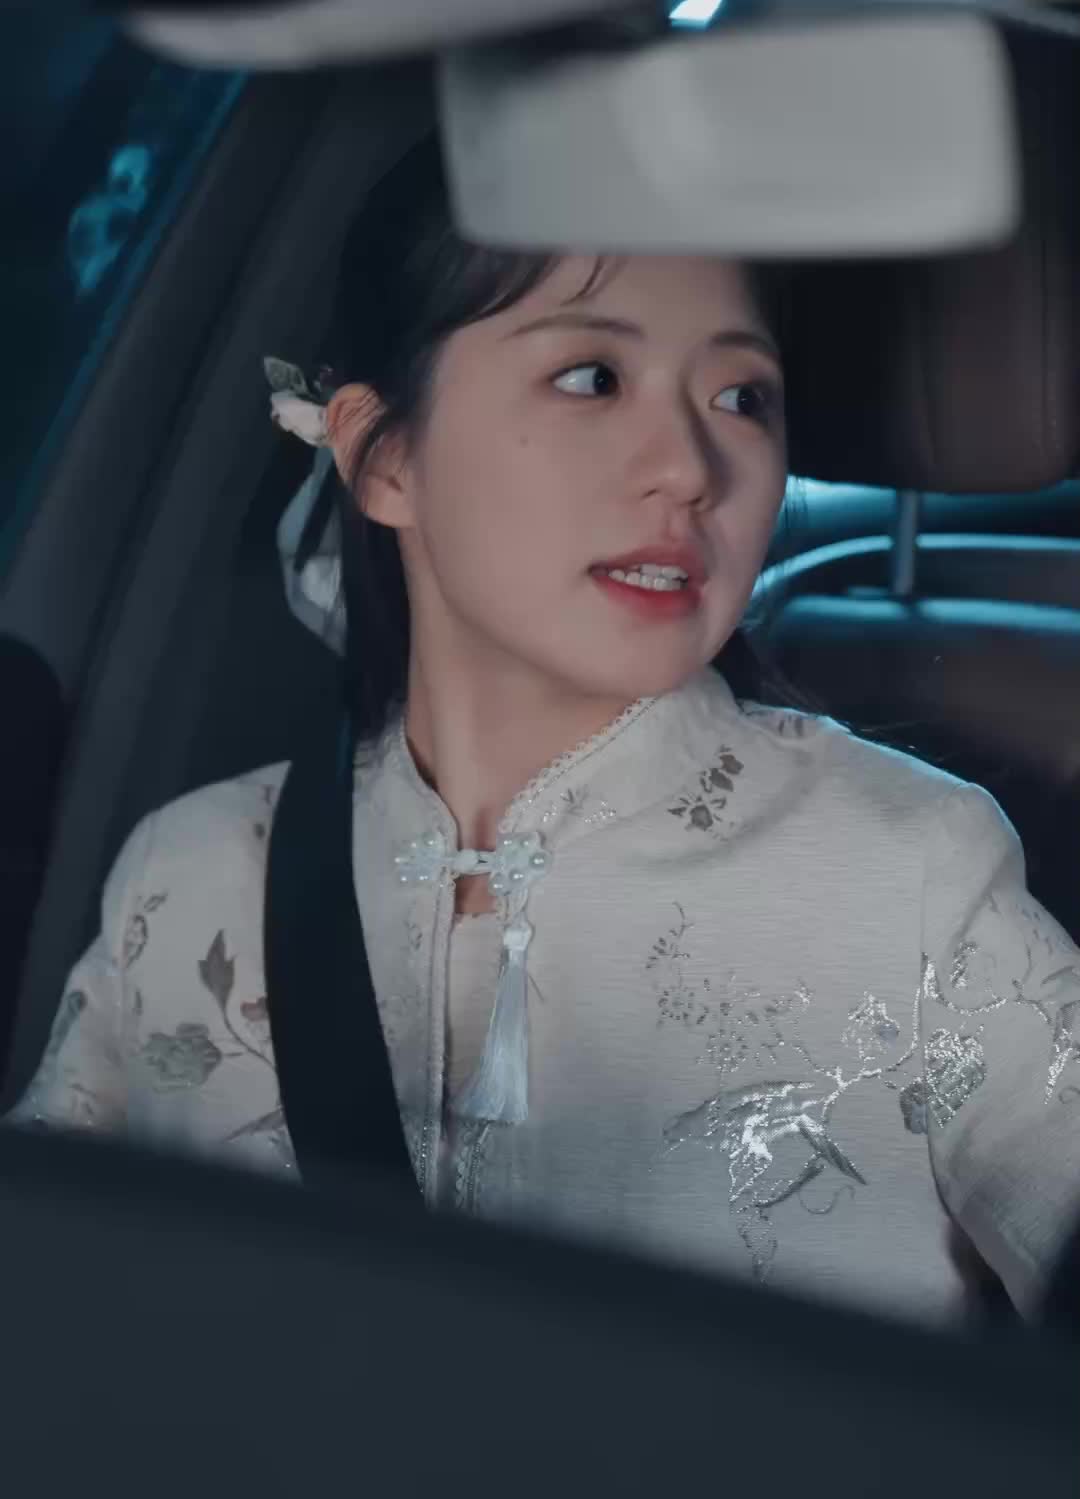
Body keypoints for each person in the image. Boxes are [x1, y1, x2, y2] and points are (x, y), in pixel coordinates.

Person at [9, 133, 1080, 1323]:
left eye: (741, 397)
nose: (690, 467)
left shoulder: (912, 878)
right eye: (591, 378)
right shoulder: (189, 878)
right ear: (383, 457)